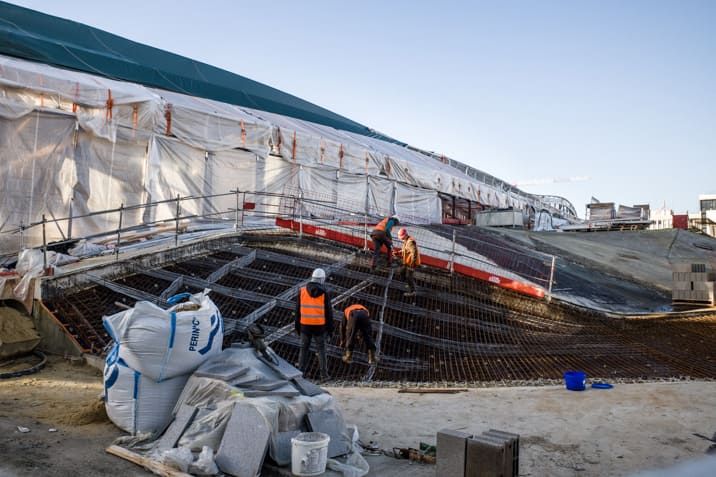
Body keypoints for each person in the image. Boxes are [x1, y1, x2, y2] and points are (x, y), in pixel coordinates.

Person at [295, 268, 333, 381]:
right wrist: (330, 329)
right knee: (321, 350)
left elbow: (297, 311)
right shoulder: (324, 292)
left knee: (303, 349)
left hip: (305, 326)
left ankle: (300, 373)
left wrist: (297, 327)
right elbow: (329, 313)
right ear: (322, 279)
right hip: (319, 327)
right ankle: (324, 376)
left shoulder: (302, 291)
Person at [395, 228, 421, 297]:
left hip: (412, 263)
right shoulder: (406, 240)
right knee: (401, 271)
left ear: (404, 235)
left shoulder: (410, 242)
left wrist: (412, 263)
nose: (400, 238)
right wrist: (398, 253)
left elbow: (414, 253)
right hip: (407, 262)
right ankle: (409, 283)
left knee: (409, 277)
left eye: (401, 237)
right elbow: (405, 249)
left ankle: (413, 291)